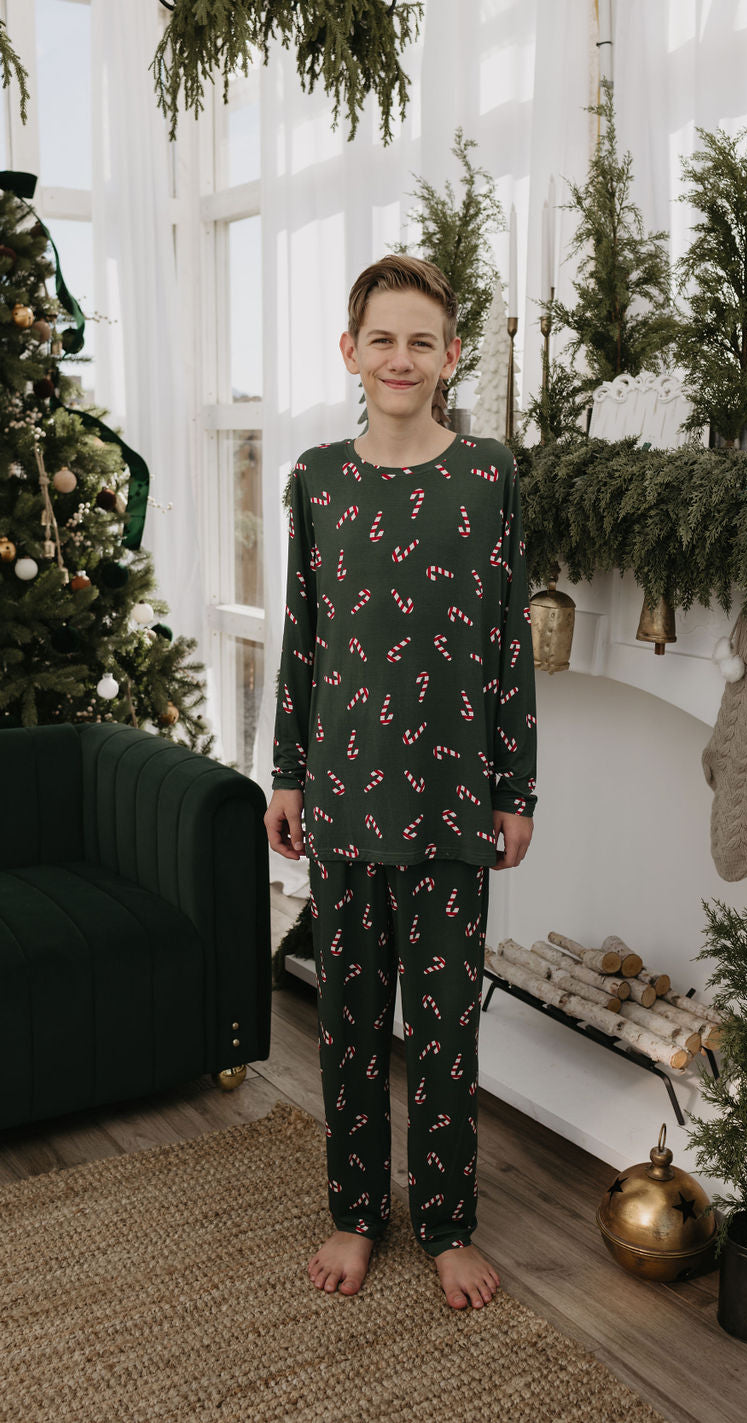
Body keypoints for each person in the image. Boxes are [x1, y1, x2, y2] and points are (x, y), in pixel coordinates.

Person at [264, 253, 538, 1312]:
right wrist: (285, 773)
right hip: (339, 795)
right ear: (350, 351)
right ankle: (353, 1209)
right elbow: (304, 635)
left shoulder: (487, 475)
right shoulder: (316, 478)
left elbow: (508, 641)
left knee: (441, 1026)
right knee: (346, 1017)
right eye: (382, 337)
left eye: (421, 339)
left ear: (451, 354)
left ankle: (447, 1221)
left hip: (452, 798)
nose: (401, 357)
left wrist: (517, 788)